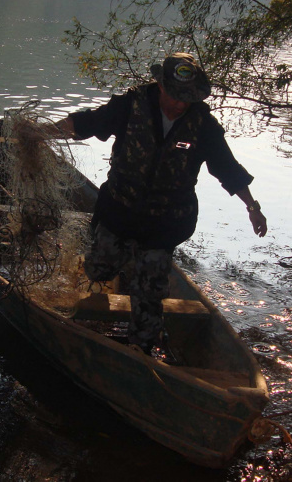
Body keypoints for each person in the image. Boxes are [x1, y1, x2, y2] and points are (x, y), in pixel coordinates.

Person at [51, 52, 268, 356]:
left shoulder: (202, 124)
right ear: (161, 85)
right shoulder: (131, 104)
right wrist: (42, 133)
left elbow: (227, 168)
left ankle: (142, 346)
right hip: (119, 210)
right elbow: (86, 122)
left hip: (165, 221)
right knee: (100, 266)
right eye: (176, 96)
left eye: (188, 98)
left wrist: (252, 207)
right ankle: (106, 281)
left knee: (150, 289)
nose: (181, 104)